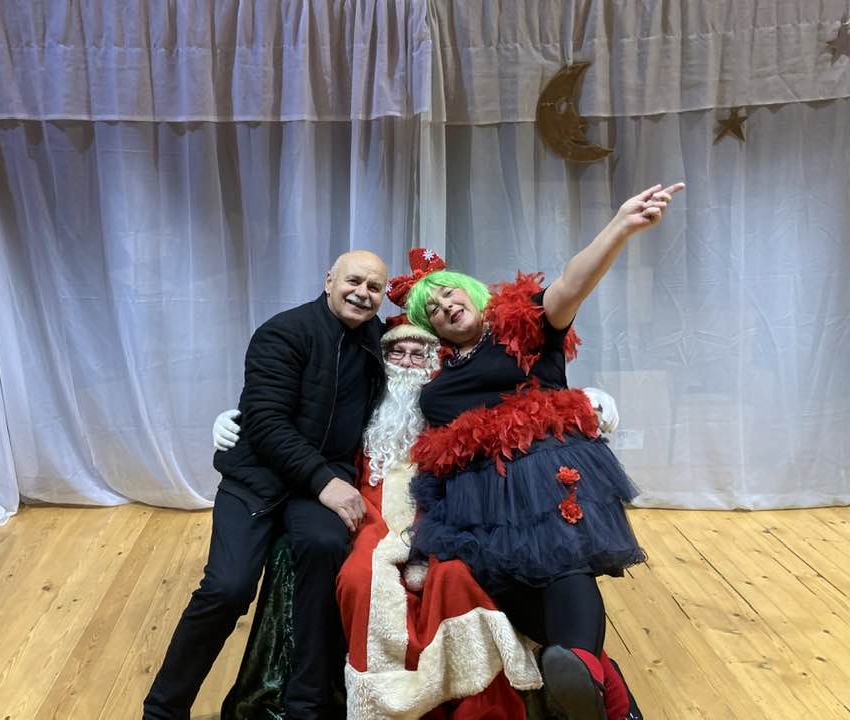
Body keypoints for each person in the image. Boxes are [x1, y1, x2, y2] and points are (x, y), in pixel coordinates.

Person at [213, 251, 624, 719]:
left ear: (435, 354)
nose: (408, 361)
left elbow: (512, 386)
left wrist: (583, 396)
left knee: (469, 577)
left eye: (418, 352)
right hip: (375, 509)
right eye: (397, 352)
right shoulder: (373, 393)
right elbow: (310, 404)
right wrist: (238, 417)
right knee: (361, 578)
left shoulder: (448, 386)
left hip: (456, 508)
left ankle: (497, 697)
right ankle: (375, 699)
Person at [403, 182, 685, 720]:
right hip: (477, 499)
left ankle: (584, 671)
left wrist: (620, 226)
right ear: (429, 327)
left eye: (450, 294)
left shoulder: (522, 327)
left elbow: (571, 285)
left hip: (543, 470)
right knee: (501, 586)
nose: (445, 307)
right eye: (432, 309)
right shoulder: (436, 381)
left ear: (472, 292)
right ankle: (601, 686)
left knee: (562, 563)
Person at [144, 251, 388, 720]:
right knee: (227, 588)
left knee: (324, 550)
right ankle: (163, 710)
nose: (362, 293)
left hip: (319, 481)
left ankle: (306, 705)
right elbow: (266, 422)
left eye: (374, 287)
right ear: (329, 281)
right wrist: (326, 482)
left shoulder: (378, 340)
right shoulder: (284, 332)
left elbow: (433, 343)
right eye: (353, 281)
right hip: (259, 477)